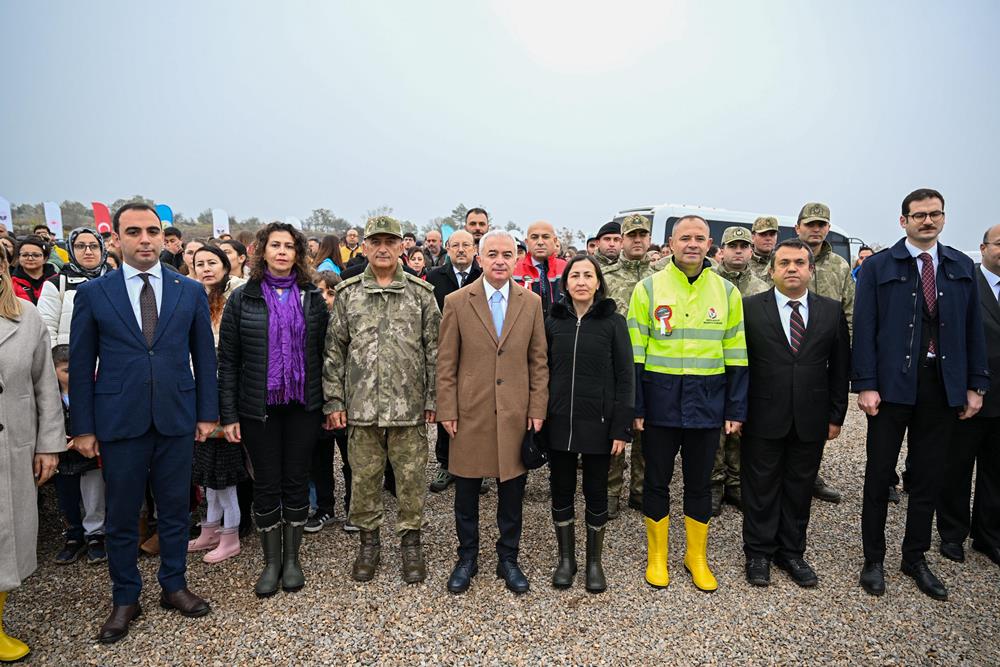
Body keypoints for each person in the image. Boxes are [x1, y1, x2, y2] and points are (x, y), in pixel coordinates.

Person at [69, 202, 218, 643]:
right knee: (121, 514)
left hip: (175, 416)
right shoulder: (95, 294)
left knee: (175, 510)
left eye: (152, 230)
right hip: (119, 420)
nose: (146, 239)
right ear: (116, 239)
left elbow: (203, 358)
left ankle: (173, 585)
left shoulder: (188, 290)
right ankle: (125, 597)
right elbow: (80, 365)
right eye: (134, 232)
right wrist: (83, 426)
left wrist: (207, 412)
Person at [854, 188, 988, 601]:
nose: (927, 221)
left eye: (934, 214)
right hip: (893, 386)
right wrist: (866, 384)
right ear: (903, 221)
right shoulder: (879, 267)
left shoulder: (961, 266)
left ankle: (915, 556)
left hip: (940, 385)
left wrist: (975, 384)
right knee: (879, 475)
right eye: (919, 215)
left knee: (929, 477)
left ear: (944, 219)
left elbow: (972, 330)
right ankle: (873, 558)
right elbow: (866, 329)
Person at [626, 215, 747, 592]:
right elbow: (636, 353)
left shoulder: (727, 292)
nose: (692, 244)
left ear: (710, 243)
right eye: (684, 238)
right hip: (660, 402)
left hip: (707, 403)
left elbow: (737, 354)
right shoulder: (647, 289)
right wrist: (638, 407)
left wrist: (734, 409)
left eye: (699, 238)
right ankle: (657, 555)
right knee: (656, 481)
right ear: (672, 243)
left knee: (700, 483)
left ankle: (695, 557)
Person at [323, 216, 441, 584]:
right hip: (362, 410)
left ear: (402, 247)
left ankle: (411, 544)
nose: (384, 248)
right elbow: (334, 353)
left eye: (391, 241)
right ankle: (369, 543)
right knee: (365, 480)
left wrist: (435, 398)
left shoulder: (421, 295)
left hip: (408, 409)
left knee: (410, 480)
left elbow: (436, 351)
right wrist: (334, 402)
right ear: (366, 247)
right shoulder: (348, 294)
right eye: (376, 242)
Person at [218, 222, 328, 597]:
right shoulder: (243, 298)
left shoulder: (311, 296)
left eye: (289, 246)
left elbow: (324, 355)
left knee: (296, 478)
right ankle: (271, 562)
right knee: (266, 481)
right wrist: (229, 414)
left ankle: (292, 559)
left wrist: (328, 403)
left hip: (302, 404)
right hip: (257, 406)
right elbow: (229, 360)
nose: (282, 252)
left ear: (298, 254)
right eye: (275, 245)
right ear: (262, 251)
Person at [437, 229, 548, 595]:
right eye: (492, 254)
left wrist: (536, 408)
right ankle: (466, 557)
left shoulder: (530, 302)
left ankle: (508, 558)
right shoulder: (456, 301)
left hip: (515, 413)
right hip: (471, 412)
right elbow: (446, 363)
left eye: (506, 254)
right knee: (466, 493)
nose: (500, 260)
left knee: (512, 493)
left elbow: (538, 361)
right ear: (480, 259)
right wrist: (447, 409)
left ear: (516, 259)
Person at [741, 240, 850, 588]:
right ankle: (758, 552)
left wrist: (836, 415)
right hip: (761, 414)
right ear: (772, 270)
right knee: (760, 486)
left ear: (810, 269)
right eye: (784, 262)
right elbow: (739, 366)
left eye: (799, 262)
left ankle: (791, 551)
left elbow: (840, 368)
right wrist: (737, 411)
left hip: (811, 417)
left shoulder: (831, 312)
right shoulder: (749, 309)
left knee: (799, 487)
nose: (792, 268)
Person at [543, 255, 633, 593]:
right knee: (561, 489)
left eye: (588, 275)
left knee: (596, 493)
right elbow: (541, 370)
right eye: (575, 275)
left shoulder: (614, 323)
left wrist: (621, 426)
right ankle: (567, 560)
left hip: (599, 424)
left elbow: (626, 376)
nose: (581, 281)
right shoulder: (552, 321)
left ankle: (594, 562)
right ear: (565, 282)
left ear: (598, 282)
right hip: (559, 423)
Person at [0, 249, 64, 663]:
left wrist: (48, 445)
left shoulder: (25, 316)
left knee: (5, 538)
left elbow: (45, 384)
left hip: (13, 446)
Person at [935, 224, 1000, 567]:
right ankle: (952, 533)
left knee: (995, 472)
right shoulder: (962, 283)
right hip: (967, 394)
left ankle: (988, 535)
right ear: (984, 247)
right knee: (957, 468)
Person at [186, 245, 247, 564]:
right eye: (200, 263)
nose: (206, 268)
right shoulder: (191, 296)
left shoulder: (238, 296)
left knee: (223, 473)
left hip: (224, 390)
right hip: (196, 389)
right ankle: (209, 528)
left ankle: (231, 535)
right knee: (205, 469)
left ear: (226, 266)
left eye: (212, 262)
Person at [795, 203, 854, 505]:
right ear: (798, 227)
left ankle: (810, 475)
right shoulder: (787, 259)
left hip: (825, 355)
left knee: (818, 418)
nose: (816, 229)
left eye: (822, 225)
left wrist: (846, 352)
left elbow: (850, 311)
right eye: (810, 224)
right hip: (789, 354)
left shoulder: (841, 266)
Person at [709, 227, 770, 516]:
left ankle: (737, 482)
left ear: (750, 250)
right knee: (715, 429)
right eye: (732, 245)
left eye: (744, 246)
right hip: (714, 364)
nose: (738, 251)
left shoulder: (761, 286)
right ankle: (714, 484)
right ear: (721, 249)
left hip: (751, 365)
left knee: (742, 425)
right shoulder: (709, 283)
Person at [602, 214, 655, 518]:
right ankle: (610, 492)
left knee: (647, 433)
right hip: (616, 366)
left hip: (652, 364)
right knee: (616, 429)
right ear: (621, 239)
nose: (637, 240)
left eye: (642, 235)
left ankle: (640, 490)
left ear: (649, 239)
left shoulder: (662, 276)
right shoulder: (607, 277)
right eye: (631, 235)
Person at [425, 230, 482, 492]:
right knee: (446, 408)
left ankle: (477, 467)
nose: (461, 249)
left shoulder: (483, 276)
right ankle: (446, 464)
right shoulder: (435, 277)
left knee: (476, 411)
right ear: (447, 249)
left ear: (474, 250)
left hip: (477, 353)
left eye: (466, 245)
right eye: (455, 245)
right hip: (445, 351)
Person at [305, 271, 355, 534]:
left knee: (352, 459)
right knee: (319, 460)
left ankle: (354, 508)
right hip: (316, 400)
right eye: (319, 292)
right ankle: (324, 507)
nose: (325, 299)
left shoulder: (348, 323)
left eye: (331, 293)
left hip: (347, 401)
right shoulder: (308, 323)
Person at [52, 340, 108, 567]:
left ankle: (96, 534)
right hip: (61, 455)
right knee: (67, 497)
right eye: (65, 371)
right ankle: (74, 534)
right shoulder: (49, 396)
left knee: (94, 495)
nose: (71, 375)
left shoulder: (90, 391)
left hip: (88, 454)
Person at [37, 228, 111, 347]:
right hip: (72, 360)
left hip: (113, 359)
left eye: (94, 246)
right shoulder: (57, 284)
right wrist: (59, 360)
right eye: (80, 246)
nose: (88, 251)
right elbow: (46, 329)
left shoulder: (117, 281)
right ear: (71, 250)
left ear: (102, 249)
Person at [513, 221, 567, 317]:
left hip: (559, 328)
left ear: (555, 241)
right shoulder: (514, 269)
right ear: (526, 242)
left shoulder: (566, 268)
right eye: (534, 237)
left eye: (545, 237)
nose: (540, 242)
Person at [12, 236, 57, 304]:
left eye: (36, 255)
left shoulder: (58, 281)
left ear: (45, 258)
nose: (30, 258)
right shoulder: (10, 283)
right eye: (25, 255)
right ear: (18, 257)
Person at [749, 216, 779, 284]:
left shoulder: (781, 262)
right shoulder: (743, 262)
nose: (768, 238)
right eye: (763, 234)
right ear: (753, 237)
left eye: (772, 234)